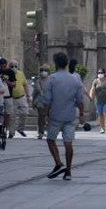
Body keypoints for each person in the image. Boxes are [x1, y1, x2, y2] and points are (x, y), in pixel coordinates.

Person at [42, 52, 86, 181]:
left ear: (55, 63)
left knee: (51, 139)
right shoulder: (75, 79)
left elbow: (47, 100)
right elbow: (80, 100)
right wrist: (82, 114)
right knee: (68, 143)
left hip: (55, 115)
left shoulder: (52, 79)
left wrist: (46, 114)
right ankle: (68, 171)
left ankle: (58, 163)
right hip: (70, 116)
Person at [0, 58, 16, 138]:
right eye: (1, 66)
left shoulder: (10, 72)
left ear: (6, 65)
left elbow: (14, 84)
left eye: (4, 66)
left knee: (8, 113)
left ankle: (5, 129)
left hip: (8, 96)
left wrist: (7, 81)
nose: (3, 67)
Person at [9, 59, 31, 137]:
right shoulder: (6, 74)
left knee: (25, 113)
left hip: (21, 97)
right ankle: (11, 132)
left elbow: (25, 84)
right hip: (11, 98)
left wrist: (28, 95)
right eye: (12, 66)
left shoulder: (21, 74)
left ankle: (20, 129)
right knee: (12, 116)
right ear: (9, 66)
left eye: (15, 66)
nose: (14, 67)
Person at [88, 68, 106, 134]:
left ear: (104, 73)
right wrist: (91, 96)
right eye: (99, 73)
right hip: (99, 100)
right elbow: (92, 89)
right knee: (100, 114)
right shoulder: (95, 81)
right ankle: (102, 128)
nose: (100, 74)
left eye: (101, 73)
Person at [32, 64, 51, 139]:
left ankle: (49, 131)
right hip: (40, 102)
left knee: (49, 117)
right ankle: (41, 132)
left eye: (45, 70)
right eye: (42, 70)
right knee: (41, 117)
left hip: (50, 102)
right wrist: (33, 103)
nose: (43, 72)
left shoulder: (51, 80)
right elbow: (35, 93)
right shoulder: (38, 81)